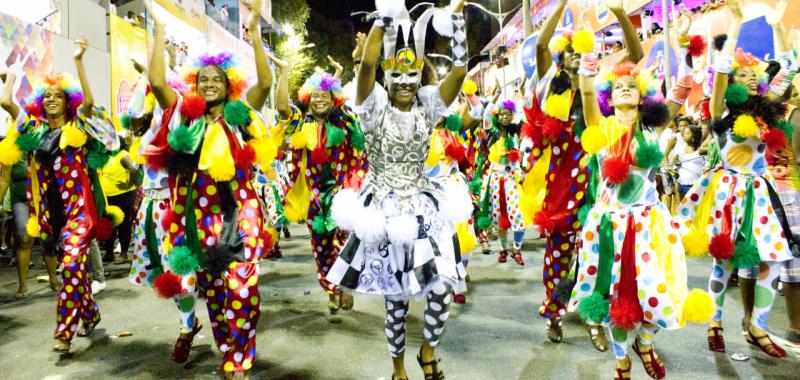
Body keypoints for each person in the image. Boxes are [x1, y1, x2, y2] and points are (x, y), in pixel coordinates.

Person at [326, 1, 469, 379]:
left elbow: (459, 70)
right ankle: (398, 368)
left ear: (420, 73)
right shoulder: (373, 108)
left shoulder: (428, 106)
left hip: (425, 207)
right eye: (397, 74)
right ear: (387, 78)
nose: (405, 81)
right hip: (385, 212)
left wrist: (456, 21)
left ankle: (428, 350)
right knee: (397, 301)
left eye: (412, 73)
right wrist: (382, 24)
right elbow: (368, 67)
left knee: (442, 289)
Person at [569, 7, 712, 379]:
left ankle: (645, 342)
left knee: (661, 294)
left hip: (650, 225)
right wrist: (587, 50)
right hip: (610, 227)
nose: (626, 87)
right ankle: (621, 361)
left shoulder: (653, 126)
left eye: (632, 84)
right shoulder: (602, 128)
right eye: (618, 86)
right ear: (610, 98)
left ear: (642, 93)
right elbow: (586, 89)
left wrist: (683, 45)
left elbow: (680, 90)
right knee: (616, 298)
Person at [144, 0, 273, 376]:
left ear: (229, 83)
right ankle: (228, 351)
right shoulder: (184, 114)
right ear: (195, 85)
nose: (210, 83)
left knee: (243, 288)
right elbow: (155, 83)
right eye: (204, 79)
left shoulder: (241, 114)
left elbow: (265, 83)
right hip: (197, 216)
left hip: (240, 212)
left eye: (217, 78)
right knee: (215, 292)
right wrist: (160, 29)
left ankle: (241, 356)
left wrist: (255, 32)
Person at [676, 0, 795, 359]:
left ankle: (756, 325)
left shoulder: (766, 110)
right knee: (723, 262)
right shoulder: (720, 109)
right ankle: (714, 322)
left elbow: (789, 68)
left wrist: (776, 28)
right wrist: (738, 23)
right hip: (728, 192)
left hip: (760, 193)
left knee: (773, 259)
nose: (753, 76)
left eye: (755, 73)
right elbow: (722, 67)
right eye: (745, 75)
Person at [520, 0, 643, 347]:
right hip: (560, 187)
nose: (577, 55)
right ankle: (555, 313)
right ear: (562, 58)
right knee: (558, 254)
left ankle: (594, 319)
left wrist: (620, 14)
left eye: (582, 50)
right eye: (570, 51)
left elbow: (635, 53)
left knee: (599, 253)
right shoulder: (549, 85)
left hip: (597, 185)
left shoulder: (599, 84)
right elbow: (542, 44)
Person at [0, 36, 121, 353]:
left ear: (68, 102)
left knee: (69, 265)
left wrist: (79, 60)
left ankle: (64, 333)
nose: (53, 100)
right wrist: (11, 76)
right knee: (75, 269)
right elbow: (8, 104)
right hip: (53, 215)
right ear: (42, 102)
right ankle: (91, 313)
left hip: (81, 213)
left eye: (59, 96)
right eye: (48, 97)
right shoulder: (36, 130)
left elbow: (91, 104)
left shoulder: (78, 127)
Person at [271, 56, 367, 314]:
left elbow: (359, 155)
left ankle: (345, 285)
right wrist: (283, 72)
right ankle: (332, 290)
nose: (320, 99)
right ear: (308, 97)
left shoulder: (346, 120)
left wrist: (358, 186)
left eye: (325, 95)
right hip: (313, 197)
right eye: (315, 95)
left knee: (346, 243)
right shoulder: (302, 120)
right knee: (321, 248)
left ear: (334, 97)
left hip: (343, 195)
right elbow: (282, 108)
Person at [475, 97, 527, 266]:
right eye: (502, 114)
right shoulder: (492, 132)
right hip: (495, 179)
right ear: (498, 116)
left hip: (512, 177)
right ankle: (503, 250)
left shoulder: (515, 132)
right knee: (499, 218)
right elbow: (488, 113)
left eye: (508, 114)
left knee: (518, 214)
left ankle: (516, 250)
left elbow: (526, 116)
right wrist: (495, 97)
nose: (505, 117)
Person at [99, 132, 140, 264]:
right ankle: (109, 253)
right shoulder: (107, 157)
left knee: (123, 226)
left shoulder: (123, 155)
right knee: (109, 226)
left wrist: (129, 184)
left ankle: (123, 253)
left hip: (123, 196)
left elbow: (134, 170)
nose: (107, 144)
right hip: (108, 198)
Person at [669, 122, 704, 199]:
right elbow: (673, 163)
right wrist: (674, 171)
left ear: (694, 137)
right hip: (682, 184)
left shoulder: (701, 150)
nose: (684, 135)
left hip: (696, 185)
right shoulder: (680, 149)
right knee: (683, 207)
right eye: (684, 133)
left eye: (687, 133)